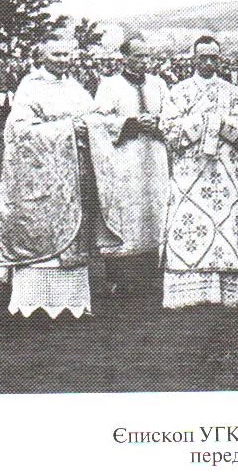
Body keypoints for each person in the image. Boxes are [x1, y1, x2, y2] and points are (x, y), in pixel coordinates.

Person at [0, 38, 119, 319]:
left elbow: (94, 118)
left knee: (75, 237)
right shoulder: (30, 87)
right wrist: (68, 129)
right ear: (42, 56)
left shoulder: (75, 87)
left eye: (66, 54)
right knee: (41, 236)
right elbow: (18, 131)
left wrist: (92, 125)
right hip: (42, 176)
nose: (62, 59)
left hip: (76, 175)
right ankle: (34, 305)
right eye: (56, 54)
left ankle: (74, 304)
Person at [159, 36, 238, 309]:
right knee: (188, 224)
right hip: (189, 174)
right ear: (193, 58)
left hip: (224, 172)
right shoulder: (179, 91)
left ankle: (223, 291)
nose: (207, 62)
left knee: (223, 226)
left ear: (219, 59)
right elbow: (168, 129)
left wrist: (221, 122)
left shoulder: (230, 91)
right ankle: (187, 293)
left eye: (213, 57)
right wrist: (202, 122)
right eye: (202, 57)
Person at [91, 37, 170, 300]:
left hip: (155, 156)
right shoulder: (110, 85)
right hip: (125, 158)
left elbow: (173, 116)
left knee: (156, 209)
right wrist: (131, 123)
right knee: (126, 211)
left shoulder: (159, 85)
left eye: (147, 56)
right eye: (138, 56)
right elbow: (98, 121)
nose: (143, 61)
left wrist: (158, 122)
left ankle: (152, 276)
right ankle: (118, 278)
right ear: (124, 57)